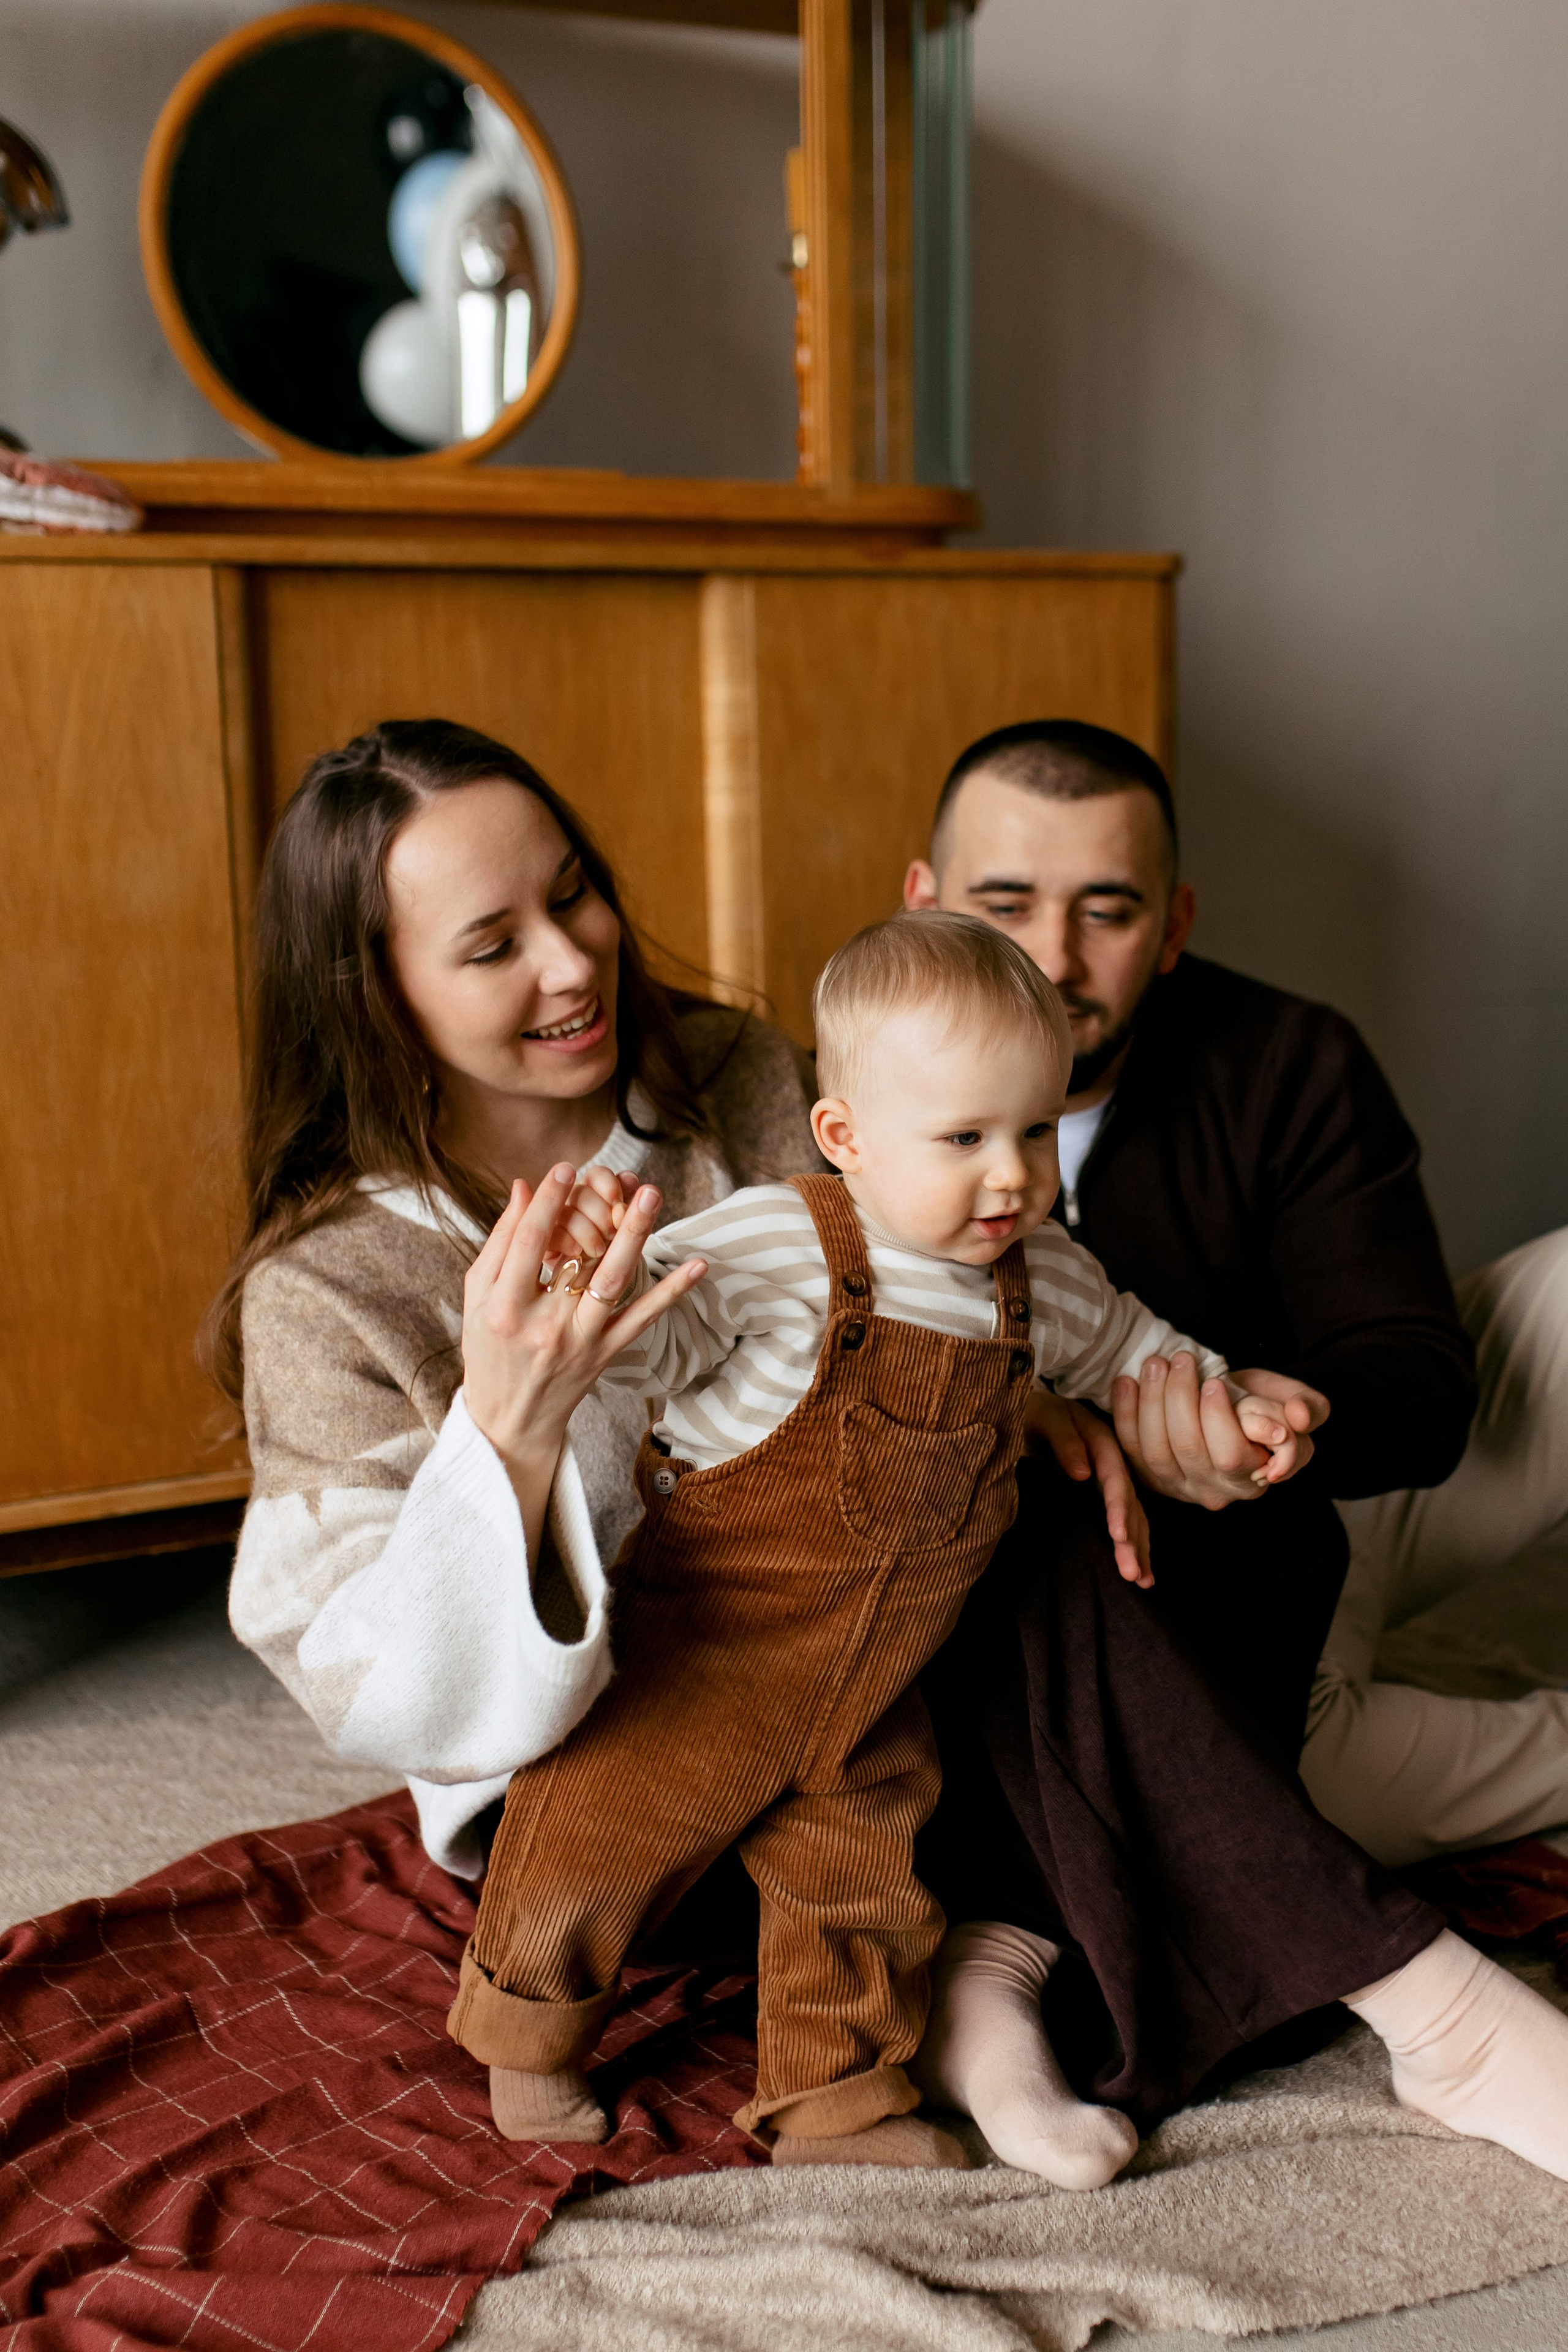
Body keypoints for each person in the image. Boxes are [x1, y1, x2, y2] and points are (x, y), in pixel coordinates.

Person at [216, 714, 1559, 2190]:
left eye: (575, 890)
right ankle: (1425, 2004)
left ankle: (987, 1983)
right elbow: (390, 1697)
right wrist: (511, 1431)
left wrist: (1044, 1408)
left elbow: (947, 1281)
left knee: (1066, 1510)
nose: (573, 962)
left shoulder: (731, 1075)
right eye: (491, 946)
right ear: (376, 989)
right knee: (1143, 1670)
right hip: (651, 1772)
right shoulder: (328, 1292)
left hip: (899, 1684)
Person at [450, 913, 1317, 2166]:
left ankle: (831, 2104)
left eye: (1034, 1129)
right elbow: (655, 1334)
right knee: (597, 1835)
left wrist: (1228, 1406)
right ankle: (523, 2041)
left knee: (862, 1893)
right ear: (845, 1138)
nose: (1010, 1177)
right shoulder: (781, 1243)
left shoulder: (1044, 1279)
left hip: (881, 1670)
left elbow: (1140, 1349)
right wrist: (593, 1265)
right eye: (963, 1139)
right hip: (714, 1641)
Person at [907, 718, 1568, 1866]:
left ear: (1173, 928)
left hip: (1319, 1490)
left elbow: (1417, 1380)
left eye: (1107, 911)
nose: (1052, 960)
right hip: (1125, 1593)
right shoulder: (864, 1092)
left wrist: (1274, 1422)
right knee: (1234, 1803)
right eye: (1004, 905)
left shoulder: (1288, 1058)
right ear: (924, 902)